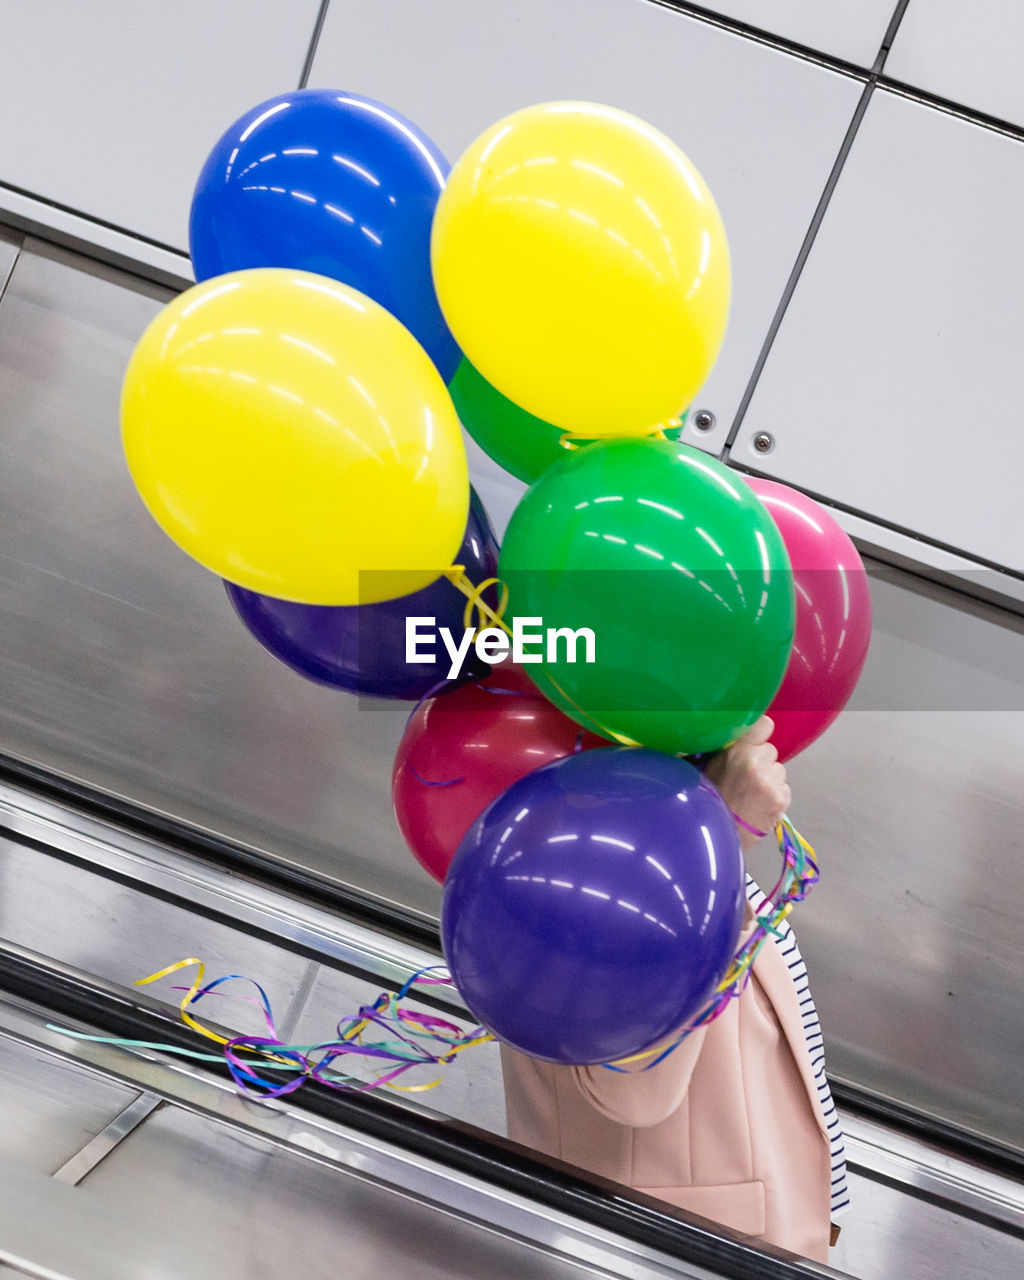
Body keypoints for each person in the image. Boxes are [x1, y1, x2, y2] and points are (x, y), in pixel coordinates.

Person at [499, 716, 848, 1263]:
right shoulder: (580, 864)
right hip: (673, 1249)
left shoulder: (666, 843)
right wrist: (724, 835)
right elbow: (632, 1087)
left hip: (745, 1241)